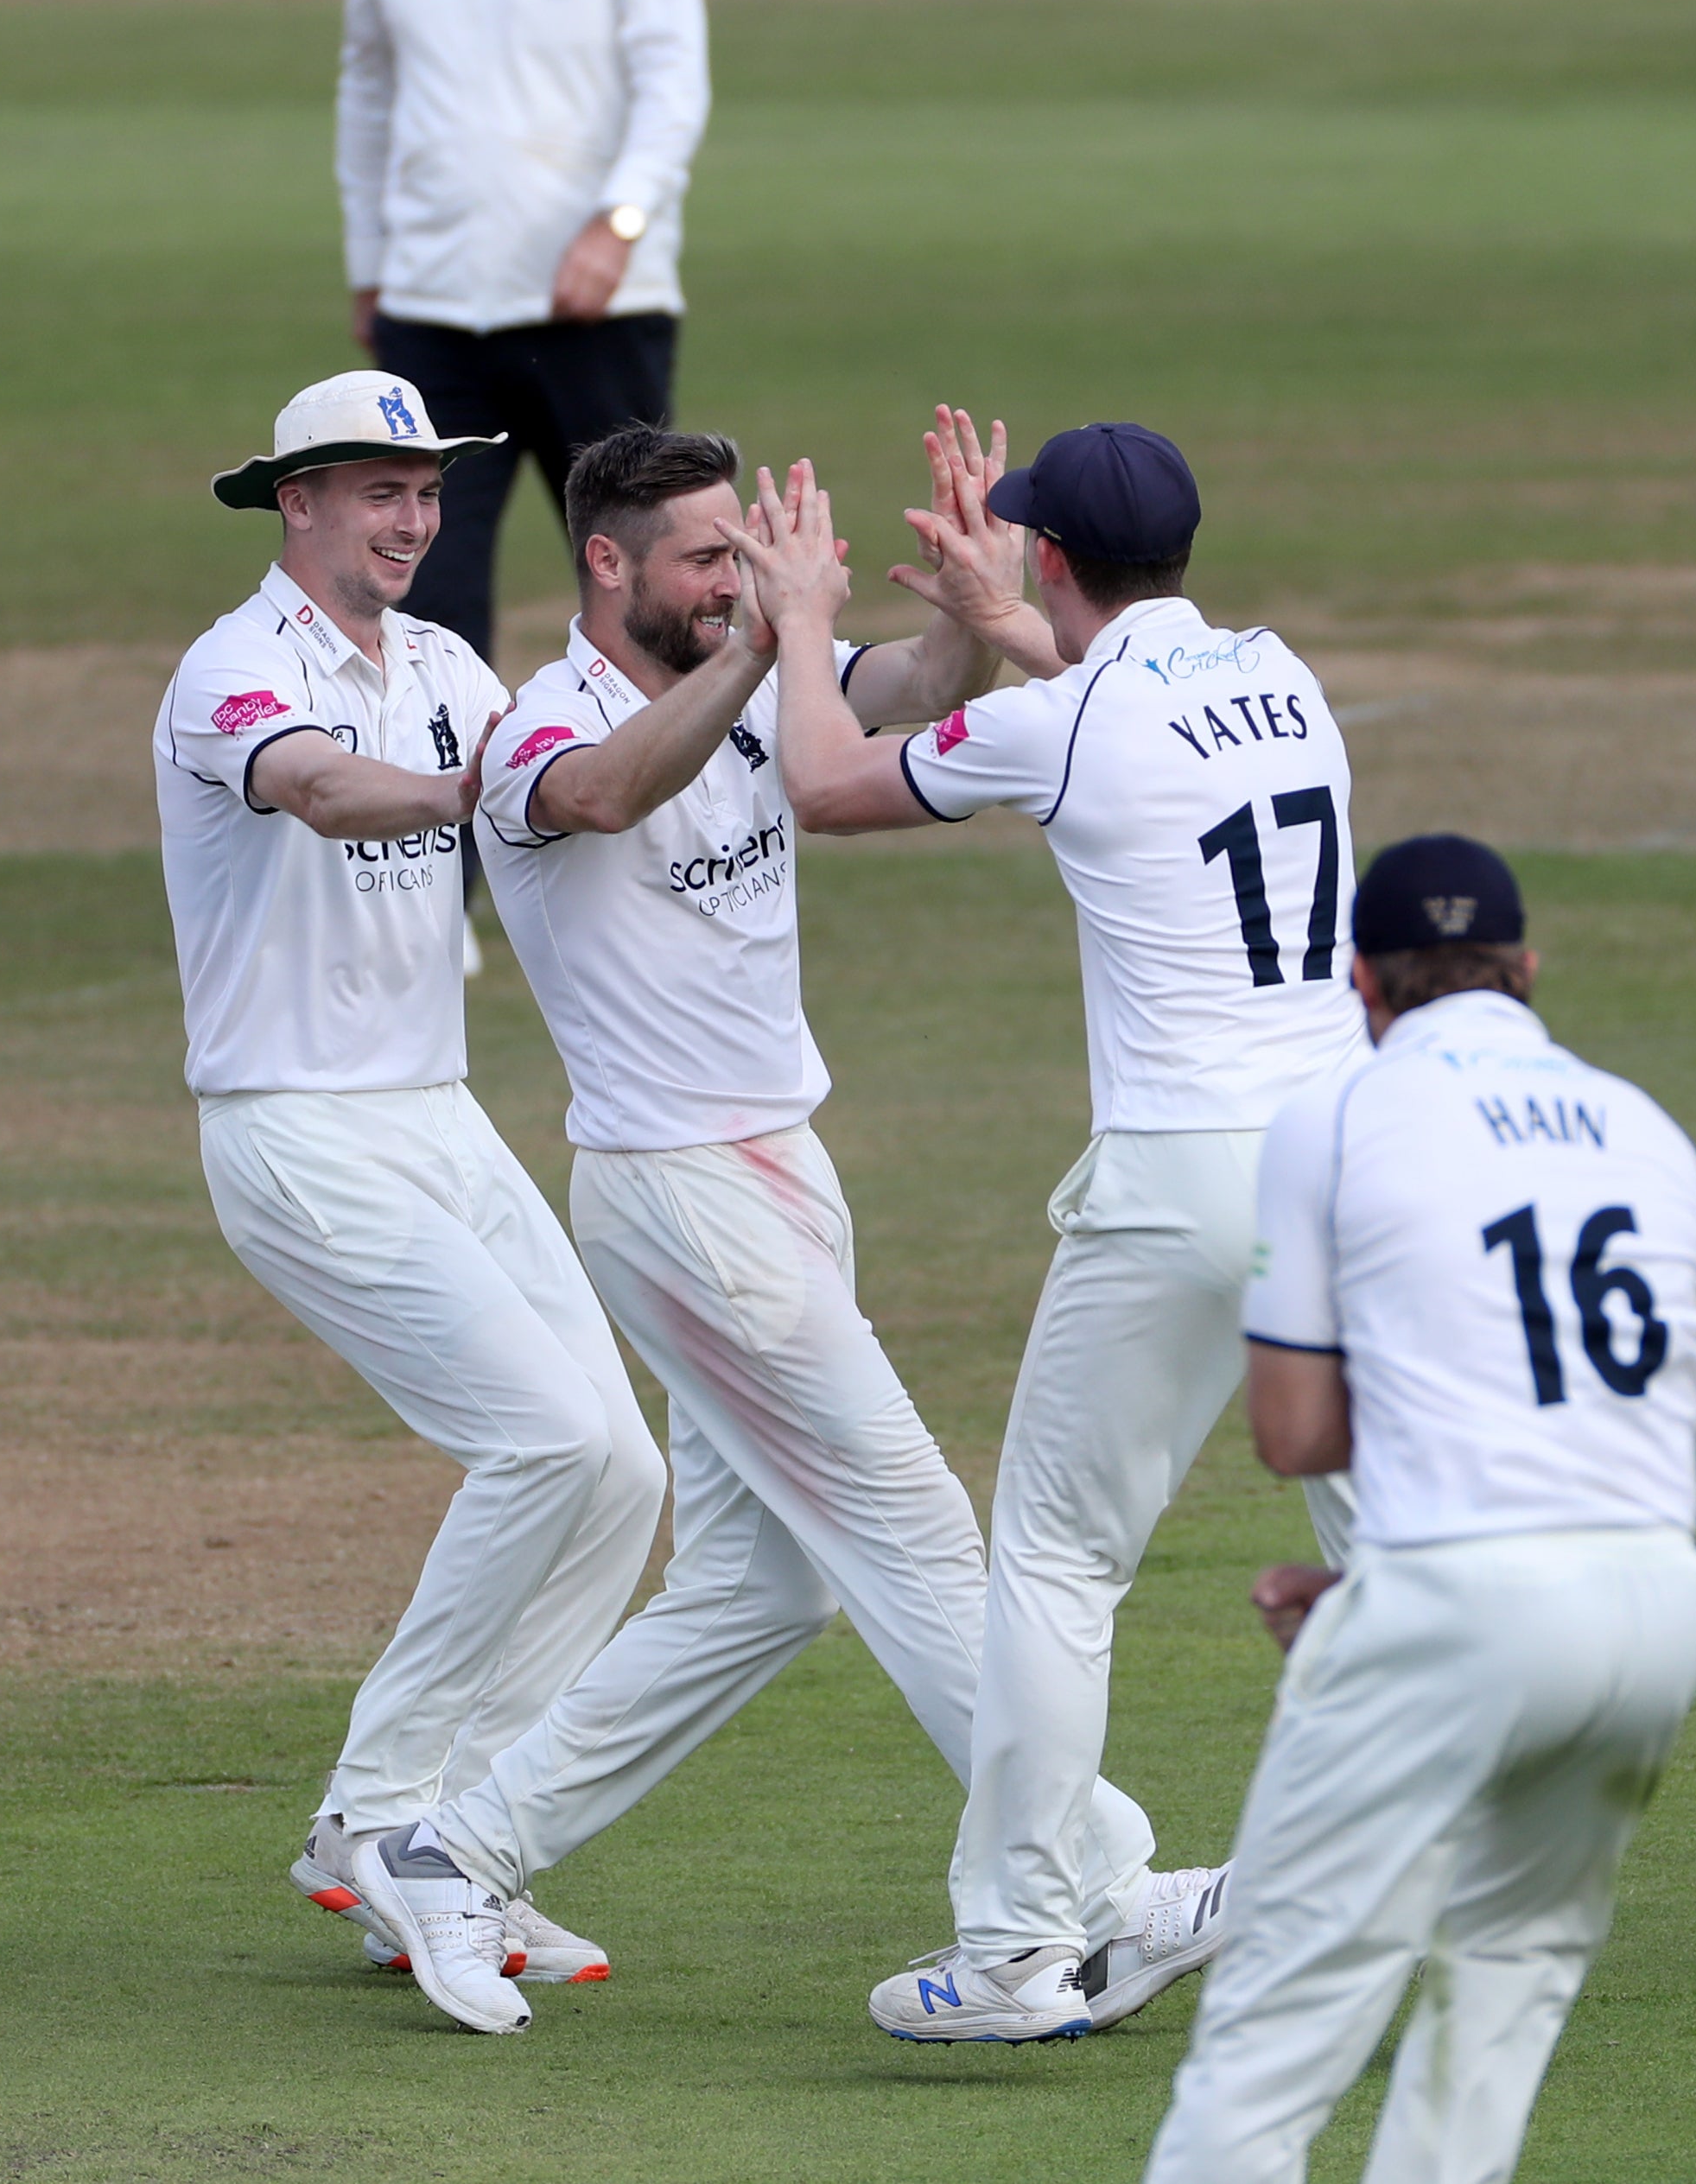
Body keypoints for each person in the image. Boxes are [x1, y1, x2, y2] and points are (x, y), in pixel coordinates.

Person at [348, 418, 1214, 2039]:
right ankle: (1098, 1885)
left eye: (746, 555)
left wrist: (966, 591)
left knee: (762, 1588)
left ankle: (455, 1851)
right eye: (702, 559)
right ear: (603, 564)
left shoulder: (746, 669)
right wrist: (763, 646)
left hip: (777, 1176)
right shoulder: (551, 723)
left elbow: (913, 691)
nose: (734, 582)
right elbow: (607, 794)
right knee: (919, 1540)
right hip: (680, 1199)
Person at [729, 423, 1368, 2042]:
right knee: (1394, 1548)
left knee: (1056, 1562)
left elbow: (817, 781)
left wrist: (803, 618)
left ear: (1062, 561)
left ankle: (1017, 1950)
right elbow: (1114, 704)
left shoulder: (1061, 722)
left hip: (1180, 1179)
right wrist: (1011, 614)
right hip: (1350, 1165)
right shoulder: (1279, 672)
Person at [156, 371, 669, 2014]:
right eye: (373, 490)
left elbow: (580, 768)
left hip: (440, 1117)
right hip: (294, 1127)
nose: (409, 519)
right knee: (542, 1440)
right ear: (292, 501)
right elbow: (310, 786)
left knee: (622, 1471)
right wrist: (481, 794)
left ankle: (452, 1844)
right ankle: (380, 1824)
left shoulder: (448, 664)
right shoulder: (228, 672)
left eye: (427, 492)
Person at [1141, 835, 1696, 2183]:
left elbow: (1291, 1436)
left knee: (1270, 2042)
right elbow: (1596, 1419)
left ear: (1363, 983)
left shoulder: (1336, 1115)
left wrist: (1408, 1588)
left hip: (1458, 1607)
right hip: (1649, 1609)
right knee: (1499, 2000)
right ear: (1526, 969)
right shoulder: (1648, 1126)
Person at [338, 0, 710, 663]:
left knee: (642, 583)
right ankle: (447, 767)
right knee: (425, 590)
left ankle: (669, 765)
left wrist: (620, 221)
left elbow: (672, 79)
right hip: (432, 309)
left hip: (599, 311)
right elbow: (369, 88)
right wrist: (370, 263)